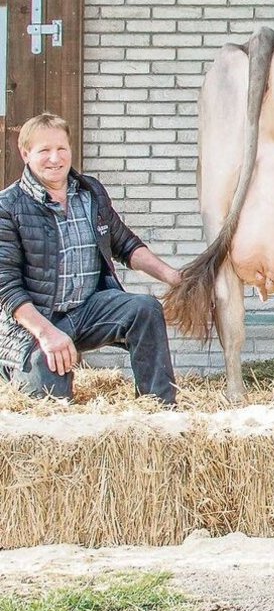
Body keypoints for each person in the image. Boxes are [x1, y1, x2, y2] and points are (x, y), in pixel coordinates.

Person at [0, 113, 181, 404]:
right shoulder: (8, 207)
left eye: (61, 149)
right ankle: (14, 367)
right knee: (51, 401)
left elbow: (125, 244)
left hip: (86, 310)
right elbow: (6, 289)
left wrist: (174, 277)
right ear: (26, 154)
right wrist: (48, 334)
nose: (55, 158)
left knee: (144, 309)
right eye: (44, 150)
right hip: (35, 322)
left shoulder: (90, 192)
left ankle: (159, 408)